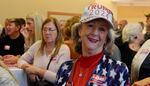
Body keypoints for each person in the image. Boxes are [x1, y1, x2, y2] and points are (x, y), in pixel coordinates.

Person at [55, 3, 130, 86]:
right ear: (80, 30)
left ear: (106, 38)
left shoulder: (118, 70)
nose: (95, 33)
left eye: (102, 29)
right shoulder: (65, 68)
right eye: (90, 25)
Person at [18, 17, 71, 85]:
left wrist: (37, 71)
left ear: (57, 31)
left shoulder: (64, 49)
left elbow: (59, 78)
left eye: (50, 29)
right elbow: (21, 60)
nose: (47, 32)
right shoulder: (38, 45)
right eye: (44, 29)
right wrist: (27, 68)